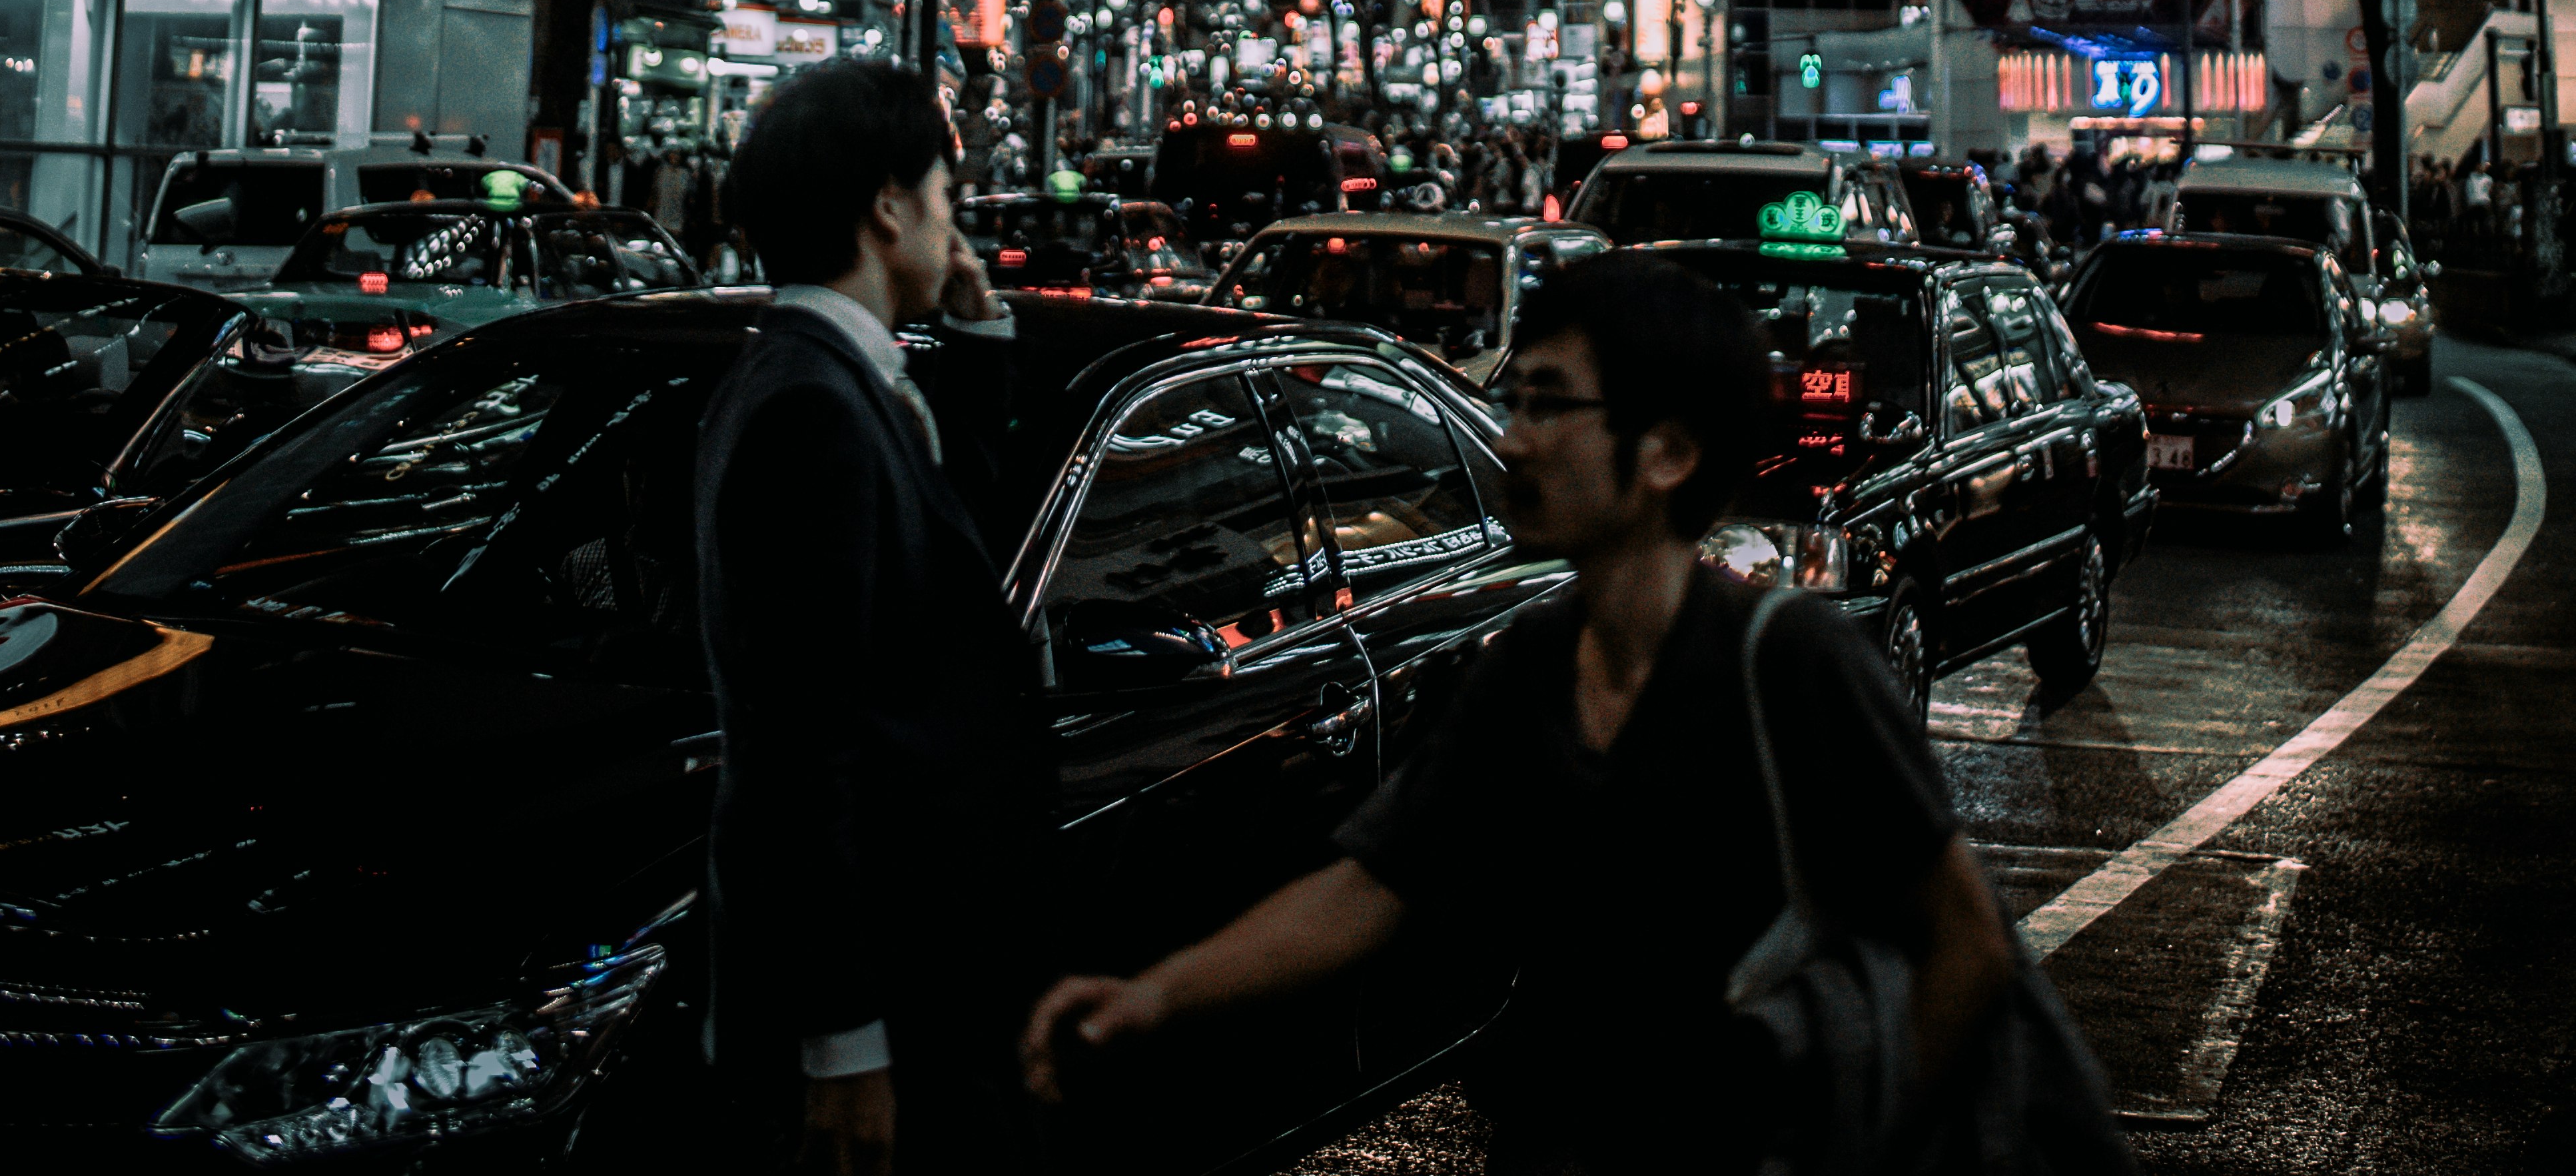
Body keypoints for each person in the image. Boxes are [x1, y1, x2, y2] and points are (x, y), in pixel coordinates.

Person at [1021, 256, 2014, 1176]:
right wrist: (1157, 996)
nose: (1511, 438)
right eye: (1516, 398)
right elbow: (1373, 888)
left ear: (1665, 452)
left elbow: (1962, 942)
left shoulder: (1793, 664)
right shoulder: (1531, 664)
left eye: (1550, 405)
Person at [696, 60, 1047, 1175]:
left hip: (894, 985)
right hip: (877, 1001)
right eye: (944, 196)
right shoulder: (814, 409)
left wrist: (981, 357)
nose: (955, 226)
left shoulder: (818, 378)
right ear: (888, 208)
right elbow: (801, 752)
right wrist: (843, 1045)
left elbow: (936, 576)